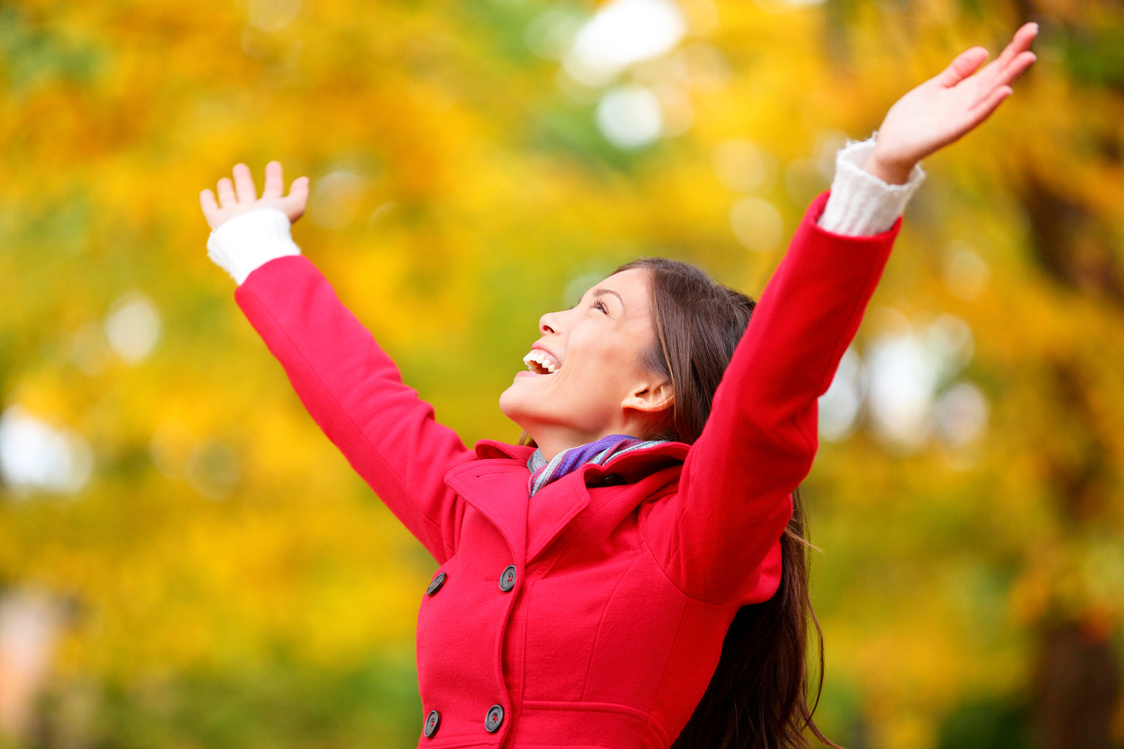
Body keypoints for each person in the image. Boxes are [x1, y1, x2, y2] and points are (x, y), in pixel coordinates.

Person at [199, 24, 1037, 749]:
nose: (552, 319)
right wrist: (262, 252)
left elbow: (769, 389)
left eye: (598, 306)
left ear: (652, 391)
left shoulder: (689, 536)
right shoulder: (472, 511)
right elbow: (363, 399)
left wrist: (875, 178)